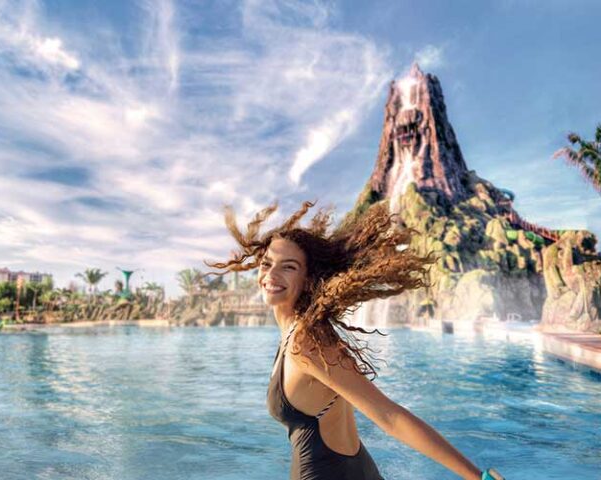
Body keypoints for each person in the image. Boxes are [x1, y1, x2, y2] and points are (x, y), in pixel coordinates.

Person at [207, 200, 504, 480]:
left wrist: (477, 476)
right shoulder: (300, 331)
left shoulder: (306, 342)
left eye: (288, 266)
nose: (271, 274)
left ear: (308, 279)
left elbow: (389, 415)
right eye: (267, 263)